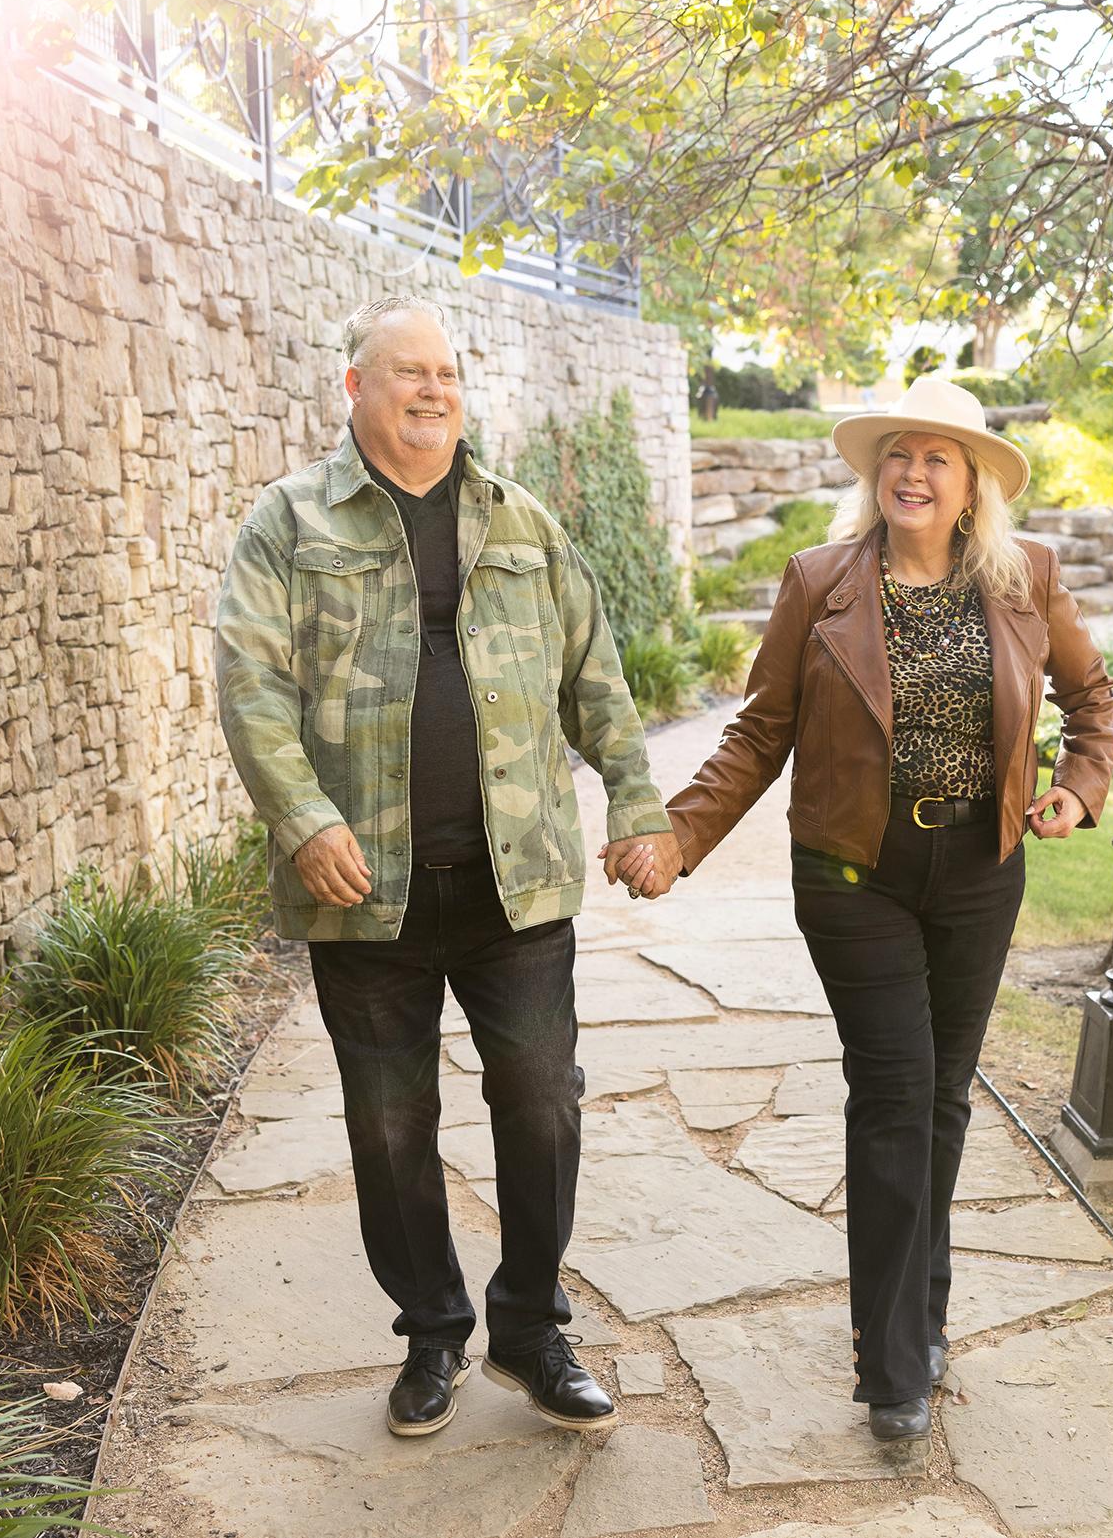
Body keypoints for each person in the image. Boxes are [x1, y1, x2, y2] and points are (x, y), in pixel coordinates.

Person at [215, 295, 682, 1438]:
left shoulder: (520, 520)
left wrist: (637, 800)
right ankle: (431, 1331)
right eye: (408, 371)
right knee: (387, 1122)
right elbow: (250, 680)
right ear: (354, 387)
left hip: (512, 879)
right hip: (362, 887)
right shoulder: (287, 522)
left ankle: (529, 1325)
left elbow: (596, 673)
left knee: (541, 1097)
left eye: (448, 373)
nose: (433, 389)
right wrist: (303, 818)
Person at [619, 375, 1113, 1443]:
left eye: (939, 456)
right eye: (899, 452)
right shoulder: (820, 583)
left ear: (973, 480)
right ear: (875, 470)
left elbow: (1096, 695)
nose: (914, 472)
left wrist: (1078, 784)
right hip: (855, 869)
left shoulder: (1027, 578)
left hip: (981, 865)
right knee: (896, 1090)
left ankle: (919, 1315)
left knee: (941, 1096)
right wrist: (680, 834)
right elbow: (760, 731)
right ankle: (894, 1367)